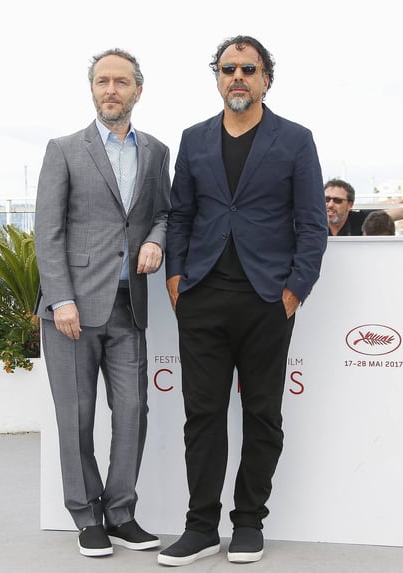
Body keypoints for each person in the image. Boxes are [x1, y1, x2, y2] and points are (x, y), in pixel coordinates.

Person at [158, 35, 328, 567]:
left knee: (262, 414)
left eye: (248, 68)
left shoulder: (296, 140)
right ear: (217, 77)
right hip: (203, 296)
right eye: (228, 68)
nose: (238, 76)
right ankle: (201, 525)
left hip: (265, 300)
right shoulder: (194, 139)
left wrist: (294, 291)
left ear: (266, 79)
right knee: (201, 416)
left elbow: (312, 224)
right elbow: (180, 213)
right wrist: (176, 276)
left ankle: (249, 521)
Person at [34, 48, 171, 558]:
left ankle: (121, 513)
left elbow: (165, 211)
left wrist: (156, 238)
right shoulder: (64, 149)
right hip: (72, 310)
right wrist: (61, 298)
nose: (110, 90)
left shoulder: (156, 152)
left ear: (138, 89)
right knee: (77, 417)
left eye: (120, 82)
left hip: (127, 305)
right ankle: (86, 515)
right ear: (92, 89)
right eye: (101, 81)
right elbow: (46, 232)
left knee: (133, 411)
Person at [325, 178, 403, 236]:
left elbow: (399, 212)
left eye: (337, 200)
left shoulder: (361, 219)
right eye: (326, 199)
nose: (330, 204)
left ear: (350, 205)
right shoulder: (314, 221)